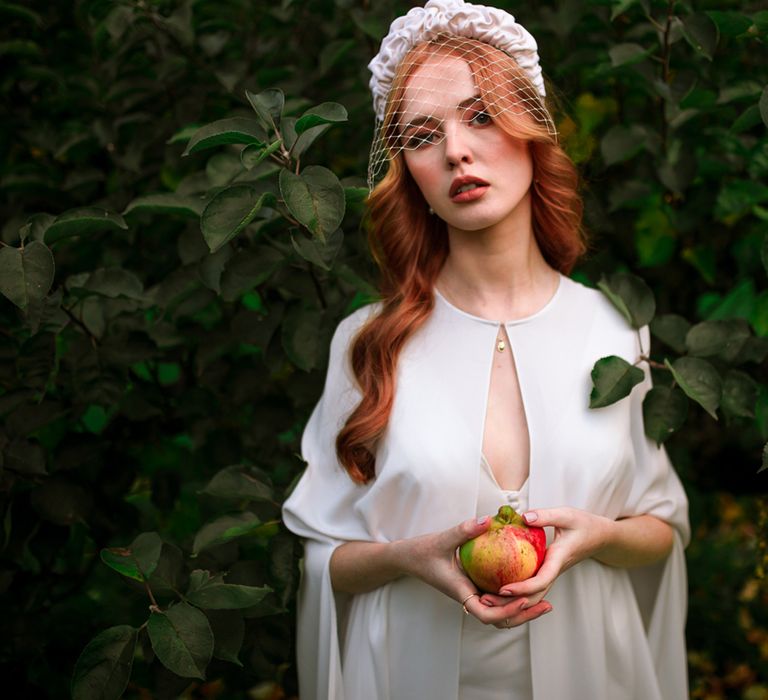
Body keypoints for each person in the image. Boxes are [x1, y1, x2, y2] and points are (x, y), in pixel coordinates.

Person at [282, 1, 690, 698]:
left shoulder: (618, 332)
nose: (456, 152)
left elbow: (660, 528)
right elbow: (323, 556)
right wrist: (409, 557)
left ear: (531, 128)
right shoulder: (366, 343)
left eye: (480, 116)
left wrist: (595, 534)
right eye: (420, 135)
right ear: (407, 169)